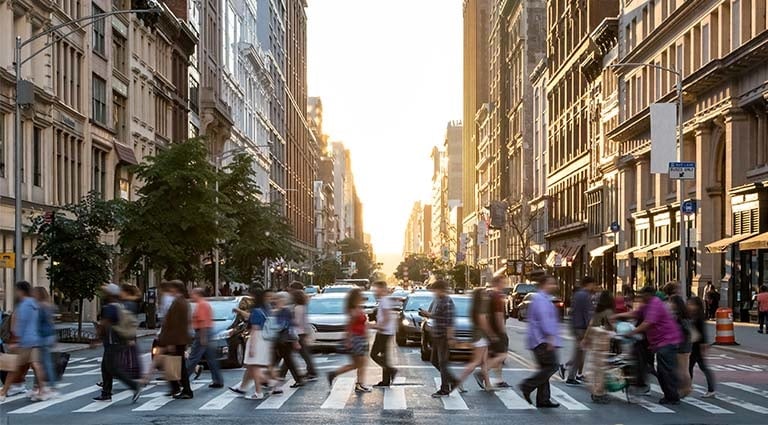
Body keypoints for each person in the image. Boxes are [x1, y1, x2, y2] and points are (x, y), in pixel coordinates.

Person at [619, 286, 682, 405]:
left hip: (668, 340)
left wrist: (632, 332)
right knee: (663, 369)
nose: (641, 298)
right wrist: (618, 316)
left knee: (665, 370)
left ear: (649, 295)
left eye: (643, 295)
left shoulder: (655, 304)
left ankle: (672, 397)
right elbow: (635, 313)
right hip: (661, 342)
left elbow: (648, 323)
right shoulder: (646, 305)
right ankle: (670, 394)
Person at [92, 283, 142, 403]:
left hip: (113, 341)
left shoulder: (110, 307)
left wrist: (96, 338)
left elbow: (105, 324)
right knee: (105, 367)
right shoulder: (118, 305)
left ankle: (134, 386)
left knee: (112, 368)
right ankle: (106, 393)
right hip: (116, 340)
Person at [0, 281, 49, 402]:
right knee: (36, 365)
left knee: (13, 367)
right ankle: (42, 390)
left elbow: (19, 324)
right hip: (35, 339)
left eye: (17, 290)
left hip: (24, 341)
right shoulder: (35, 304)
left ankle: (3, 392)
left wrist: (14, 339)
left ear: (21, 291)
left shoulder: (23, 305)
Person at [518, 275, 561, 408]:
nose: (553, 286)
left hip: (538, 339)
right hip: (541, 340)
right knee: (552, 366)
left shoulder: (542, 299)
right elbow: (544, 320)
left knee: (545, 368)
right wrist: (550, 338)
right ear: (543, 285)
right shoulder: (541, 300)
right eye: (550, 284)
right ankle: (527, 385)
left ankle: (543, 399)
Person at [419, 280, 458, 397]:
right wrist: (426, 314)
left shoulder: (447, 301)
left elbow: (450, 321)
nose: (434, 293)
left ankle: (445, 389)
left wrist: (450, 338)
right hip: (436, 334)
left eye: (435, 290)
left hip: (444, 336)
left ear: (441, 290)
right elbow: (434, 314)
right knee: (434, 360)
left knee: (442, 362)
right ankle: (452, 380)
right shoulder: (437, 300)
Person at [328, 288, 371, 393]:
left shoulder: (358, 307)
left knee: (359, 363)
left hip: (361, 338)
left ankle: (335, 374)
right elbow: (349, 326)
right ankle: (360, 384)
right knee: (359, 363)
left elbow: (362, 324)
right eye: (360, 295)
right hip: (356, 339)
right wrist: (348, 340)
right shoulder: (353, 309)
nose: (362, 297)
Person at [157, 280, 193, 399]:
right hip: (177, 338)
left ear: (176, 289)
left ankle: (185, 390)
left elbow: (176, 324)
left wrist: (171, 342)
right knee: (174, 364)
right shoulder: (180, 301)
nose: (170, 290)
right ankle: (176, 387)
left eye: (172, 288)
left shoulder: (179, 303)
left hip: (176, 339)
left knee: (178, 365)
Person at [455, 288, 493, 390]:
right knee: (476, 361)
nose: (486, 295)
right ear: (480, 296)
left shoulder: (476, 306)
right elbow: (483, 321)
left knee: (484, 362)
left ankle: (488, 385)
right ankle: (458, 381)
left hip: (480, 336)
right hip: (480, 336)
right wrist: (491, 333)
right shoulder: (481, 307)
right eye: (484, 294)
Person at [186, 288, 223, 388]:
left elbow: (202, 321)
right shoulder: (205, 304)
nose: (191, 295)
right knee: (211, 359)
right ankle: (218, 380)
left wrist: (202, 337)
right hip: (207, 332)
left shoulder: (201, 305)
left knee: (193, 358)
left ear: (198, 294)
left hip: (203, 332)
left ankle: (183, 379)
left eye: (193, 293)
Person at [582, 290, 615, 404]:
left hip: (595, 341)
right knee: (601, 369)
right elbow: (613, 326)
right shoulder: (608, 312)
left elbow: (590, 326)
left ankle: (595, 390)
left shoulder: (597, 311)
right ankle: (598, 392)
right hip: (604, 340)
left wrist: (586, 339)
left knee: (596, 368)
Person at [242, 289, 274, 399]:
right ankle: (271, 383)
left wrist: (251, 346)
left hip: (257, 339)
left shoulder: (256, 311)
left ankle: (259, 391)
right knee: (253, 366)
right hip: (265, 338)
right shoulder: (265, 310)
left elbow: (255, 329)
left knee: (254, 366)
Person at [565, 276, 595, 385]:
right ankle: (570, 376)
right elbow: (587, 314)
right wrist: (589, 330)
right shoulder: (586, 296)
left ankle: (572, 373)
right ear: (589, 284)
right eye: (593, 284)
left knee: (580, 352)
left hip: (576, 327)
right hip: (582, 328)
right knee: (579, 353)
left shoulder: (577, 295)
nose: (594, 287)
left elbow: (573, 312)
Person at [272, 292, 305, 390]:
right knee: (282, 360)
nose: (277, 301)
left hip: (284, 340)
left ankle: (298, 379)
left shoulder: (285, 311)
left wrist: (295, 340)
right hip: (281, 340)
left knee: (285, 360)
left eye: (279, 299)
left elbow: (289, 326)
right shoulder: (281, 311)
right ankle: (297, 379)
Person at [285, 282, 317, 382]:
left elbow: (297, 322)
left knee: (291, 354)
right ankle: (311, 371)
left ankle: (312, 372)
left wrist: (289, 320)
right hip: (301, 332)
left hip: (298, 333)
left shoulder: (298, 308)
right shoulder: (302, 306)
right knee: (290, 354)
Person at [370, 281, 397, 387]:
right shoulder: (383, 300)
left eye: (376, 288)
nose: (375, 291)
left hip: (384, 332)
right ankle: (386, 380)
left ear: (382, 289)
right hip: (386, 331)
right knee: (384, 356)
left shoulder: (384, 301)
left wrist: (376, 326)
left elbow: (386, 317)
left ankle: (391, 370)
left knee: (374, 354)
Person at [687, 296, 716, 398]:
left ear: (697, 306)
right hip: (694, 345)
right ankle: (710, 389)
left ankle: (688, 387)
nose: (690, 306)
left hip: (697, 346)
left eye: (692, 304)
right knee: (698, 367)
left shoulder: (698, 317)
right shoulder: (692, 316)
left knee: (692, 366)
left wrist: (704, 346)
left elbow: (703, 333)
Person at [486, 275, 511, 388]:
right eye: (503, 282)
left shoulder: (491, 295)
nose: (504, 284)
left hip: (491, 330)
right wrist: (502, 331)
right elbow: (498, 315)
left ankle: (499, 380)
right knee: (502, 355)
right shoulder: (497, 297)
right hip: (497, 330)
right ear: (497, 283)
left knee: (496, 356)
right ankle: (482, 372)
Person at [32, 287, 57, 392]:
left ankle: (47, 385)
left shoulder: (39, 307)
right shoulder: (49, 306)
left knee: (40, 363)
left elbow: (36, 323)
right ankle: (40, 385)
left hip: (41, 336)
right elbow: (51, 322)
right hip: (49, 336)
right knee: (42, 362)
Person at [668, 295, 692, 398]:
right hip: (686, 345)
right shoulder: (685, 315)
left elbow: (684, 331)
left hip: (681, 345)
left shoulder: (678, 317)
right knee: (684, 368)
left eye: (671, 302)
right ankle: (685, 388)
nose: (669, 305)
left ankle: (685, 389)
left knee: (682, 369)